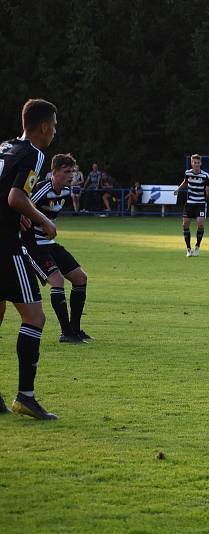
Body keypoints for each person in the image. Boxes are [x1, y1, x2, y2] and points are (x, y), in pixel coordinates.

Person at [0, 98, 60, 419]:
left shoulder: (5, 147)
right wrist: (42, 219)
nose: (55, 131)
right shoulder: (35, 155)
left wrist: (16, 215)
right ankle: (25, 396)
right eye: (55, 124)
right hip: (5, 247)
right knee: (35, 318)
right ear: (43, 126)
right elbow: (15, 196)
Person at [25, 153, 92, 344]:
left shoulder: (65, 191)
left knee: (81, 278)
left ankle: (76, 329)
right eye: (66, 172)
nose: (71, 175)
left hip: (49, 244)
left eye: (72, 171)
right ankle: (66, 333)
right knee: (57, 280)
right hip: (32, 245)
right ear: (54, 172)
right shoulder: (40, 190)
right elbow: (19, 204)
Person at [175, 154, 209, 256]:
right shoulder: (187, 173)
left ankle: (197, 247)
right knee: (185, 225)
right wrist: (178, 189)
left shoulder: (205, 175)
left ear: (200, 163)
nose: (196, 164)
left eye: (198, 163)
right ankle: (188, 249)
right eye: (194, 162)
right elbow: (185, 182)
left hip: (200, 203)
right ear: (191, 163)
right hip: (189, 203)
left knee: (200, 224)